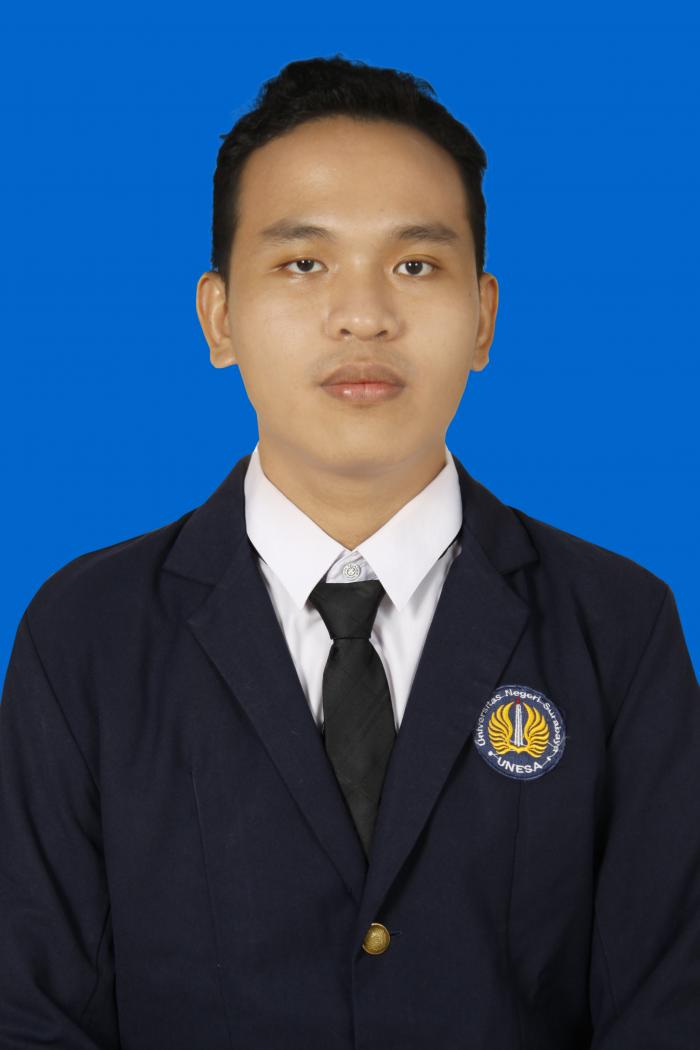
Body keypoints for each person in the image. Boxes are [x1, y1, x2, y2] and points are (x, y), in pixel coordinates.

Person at [0, 53, 698, 1050]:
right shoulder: (85, 634)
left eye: (415, 265)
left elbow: (669, 1006)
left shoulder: (618, 627)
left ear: (484, 318)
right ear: (219, 318)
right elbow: (31, 1010)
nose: (363, 315)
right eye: (303, 263)